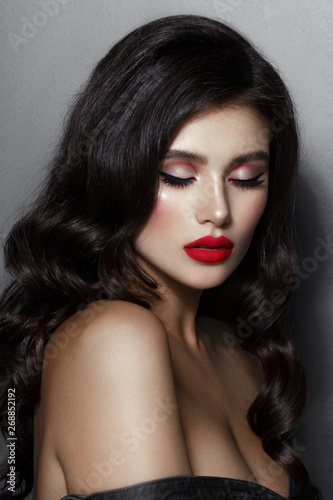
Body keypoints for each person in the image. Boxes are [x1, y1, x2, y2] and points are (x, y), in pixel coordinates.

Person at [0, 14, 323, 500]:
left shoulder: (240, 353)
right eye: (177, 175)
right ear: (113, 172)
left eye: (246, 178)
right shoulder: (114, 340)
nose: (218, 211)